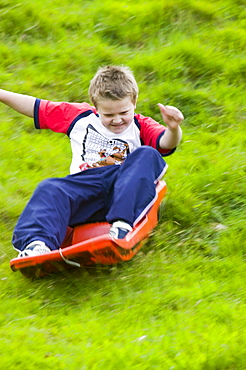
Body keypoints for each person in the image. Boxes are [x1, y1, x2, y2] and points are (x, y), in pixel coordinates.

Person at [0, 65, 183, 258]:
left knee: (148, 154)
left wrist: (173, 129)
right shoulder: (79, 117)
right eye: (109, 115)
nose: (117, 120)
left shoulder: (141, 125)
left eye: (123, 112)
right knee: (50, 187)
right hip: (84, 188)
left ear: (134, 102)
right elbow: (37, 107)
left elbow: (165, 143)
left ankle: (121, 226)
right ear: (96, 107)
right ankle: (36, 245)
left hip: (122, 189)